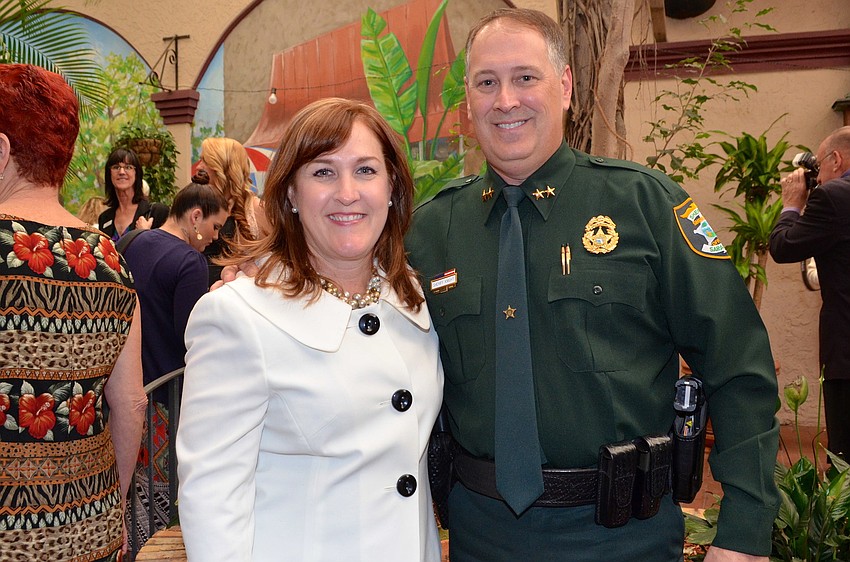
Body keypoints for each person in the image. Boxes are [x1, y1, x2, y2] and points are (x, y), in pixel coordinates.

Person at [405, 9, 779, 561]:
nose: (505, 99)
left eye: (525, 77)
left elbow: (737, 364)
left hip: (624, 535)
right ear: (468, 102)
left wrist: (745, 531)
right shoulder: (430, 230)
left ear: (566, 87)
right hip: (481, 538)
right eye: (487, 82)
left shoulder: (646, 205)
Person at [176, 98, 444, 561]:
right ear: (291, 195)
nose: (347, 192)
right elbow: (211, 501)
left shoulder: (413, 299)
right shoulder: (238, 316)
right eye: (322, 172)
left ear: (393, 187)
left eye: (365, 170)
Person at [0, 64, 146, 561]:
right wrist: (113, 502)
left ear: (2, 152)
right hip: (89, 527)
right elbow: (131, 404)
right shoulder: (110, 260)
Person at [120, 181, 229, 545]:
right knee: (162, 501)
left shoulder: (130, 242)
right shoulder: (190, 262)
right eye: (214, 227)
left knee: (130, 494)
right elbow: (192, 339)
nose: (215, 238)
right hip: (167, 400)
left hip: (121, 394)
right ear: (195, 216)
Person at [770, 126, 850, 459]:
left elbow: (783, 246)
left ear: (836, 158)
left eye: (819, 165)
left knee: (844, 460)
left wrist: (791, 204)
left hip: (846, 353)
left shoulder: (834, 197)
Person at [196, 137, 270, 285]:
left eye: (205, 160)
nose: (198, 167)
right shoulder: (197, 205)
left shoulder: (258, 209)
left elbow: (277, 259)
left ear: (222, 166)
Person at [96, 147, 169, 242]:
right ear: (109, 174)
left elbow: (169, 251)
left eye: (128, 167)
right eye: (116, 167)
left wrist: (146, 234)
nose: (121, 172)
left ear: (136, 174)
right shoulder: (105, 218)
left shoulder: (157, 212)